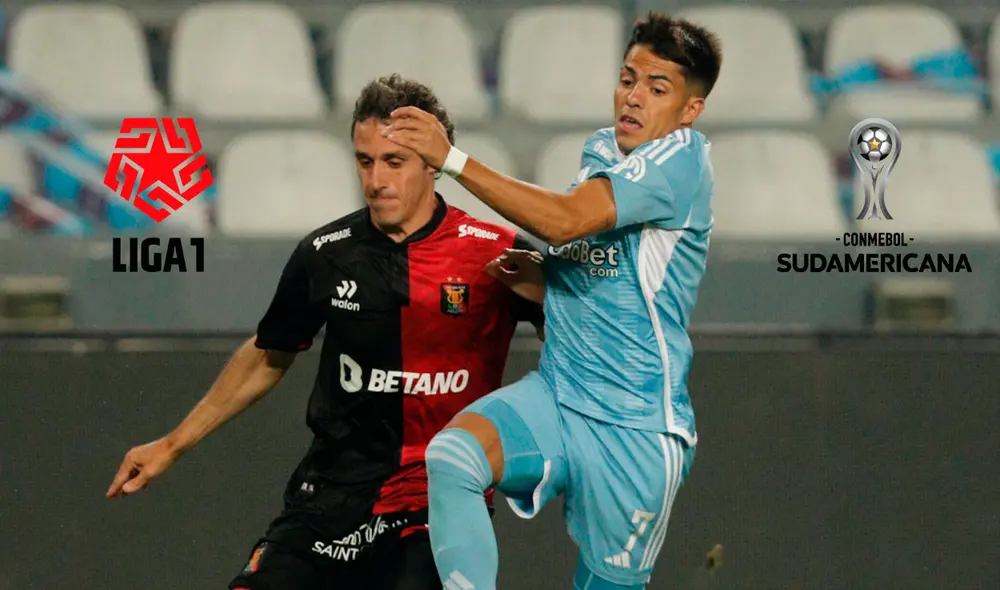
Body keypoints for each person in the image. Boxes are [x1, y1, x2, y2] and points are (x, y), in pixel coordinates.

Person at [105, 74, 543, 590]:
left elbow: (576, 345)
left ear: (433, 165)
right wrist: (173, 444)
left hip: (434, 503)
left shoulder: (495, 253)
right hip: (328, 500)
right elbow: (270, 353)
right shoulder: (326, 253)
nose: (376, 179)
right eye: (365, 160)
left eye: (394, 162)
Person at [381, 12, 721, 590]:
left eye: (657, 89)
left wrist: (454, 161)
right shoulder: (601, 149)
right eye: (627, 78)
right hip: (560, 395)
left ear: (690, 110)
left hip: (634, 432)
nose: (633, 97)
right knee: (454, 458)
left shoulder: (682, 161)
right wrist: (545, 275)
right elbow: (608, 261)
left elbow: (566, 222)